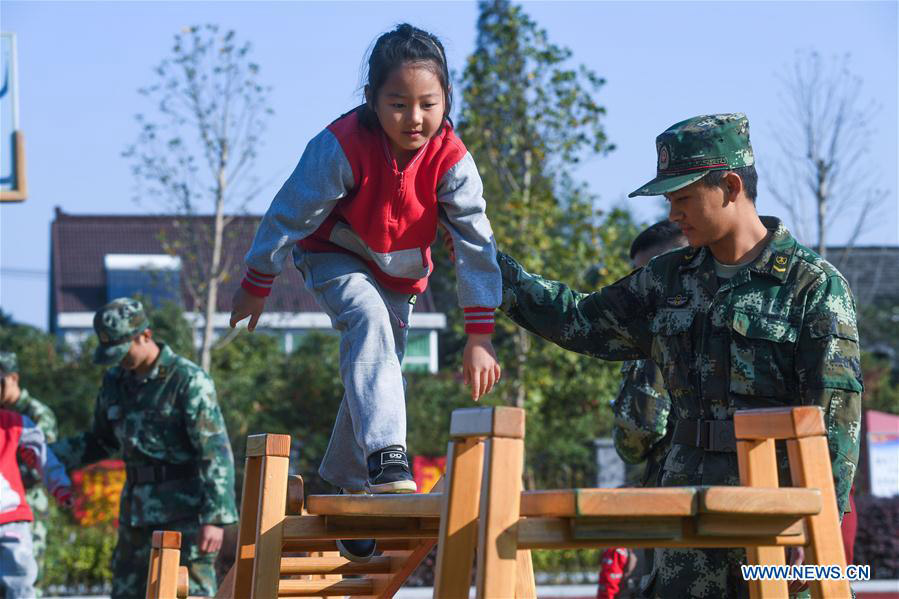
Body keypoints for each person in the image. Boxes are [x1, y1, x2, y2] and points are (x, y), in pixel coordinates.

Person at [498, 113, 862, 598]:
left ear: (731, 186)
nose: (673, 214)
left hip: (775, 517)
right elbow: (579, 321)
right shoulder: (668, 279)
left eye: (683, 197)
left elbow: (835, 422)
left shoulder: (811, 287)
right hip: (686, 522)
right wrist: (488, 267)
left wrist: (816, 522)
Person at [229, 24, 502, 562]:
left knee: (378, 371)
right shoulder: (342, 143)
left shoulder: (452, 159)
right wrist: (257, 281)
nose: (415, 118)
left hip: (400, 275)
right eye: (398, 104)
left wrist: (480, 334)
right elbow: (289, 210)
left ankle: (338, 483)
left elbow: (475, 244)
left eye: (429, 104)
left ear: (447, 100)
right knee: (367, 322)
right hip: (332, 252)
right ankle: (387, 459)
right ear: (372, 100)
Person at [51, 298, 238, 599]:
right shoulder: (114, 382)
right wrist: (48, 457)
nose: (119, 361)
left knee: (189, 595)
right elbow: (100, 441)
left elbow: (214, 452)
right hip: (135, 519)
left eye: (124, 351)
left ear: (145, 335)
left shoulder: (186, 380)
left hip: (185, 518)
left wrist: (215, 519)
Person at [610, 222, 687, 595]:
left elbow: (638, 431)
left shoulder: (662, 332)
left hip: (671, 501)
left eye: (647, 272)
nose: (642, 285)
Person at [0, 350, 59, 585]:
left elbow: (42, 463)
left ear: (14, 378)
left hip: (27, 506)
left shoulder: (36, 414)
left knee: (27, 579)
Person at [0, 408, 72, 599]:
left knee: (20, 581)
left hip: (10, 517)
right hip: (11, 518)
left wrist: (60, 485)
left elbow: (42, 452)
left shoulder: (9, 422)